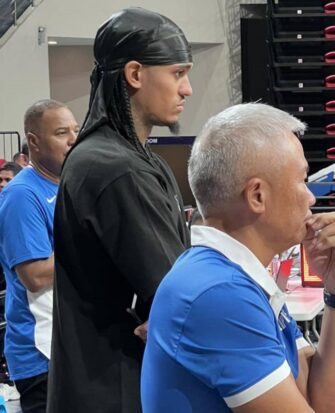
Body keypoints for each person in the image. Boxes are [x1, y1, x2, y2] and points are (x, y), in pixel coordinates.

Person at [141, 103, 335, 413]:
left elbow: (327, 404)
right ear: (257, 196)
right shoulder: (219, 294)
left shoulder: (234, 278)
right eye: (302, 179)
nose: (311, 197)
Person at [48, 8, 193, 413]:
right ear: (134, 74)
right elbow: (182, 298)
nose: (187, 89)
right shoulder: (115, 168)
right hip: (114, 390)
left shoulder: (125, 157)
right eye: (178, 73)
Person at [0, 99, 78, 413]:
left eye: (75, 130)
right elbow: (34, 276)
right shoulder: (22, 195)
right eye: (62, 133)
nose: (73, 139)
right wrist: (89, 251)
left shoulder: (68, 185)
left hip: (70, 348)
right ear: (33, 141)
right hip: (41, 357)